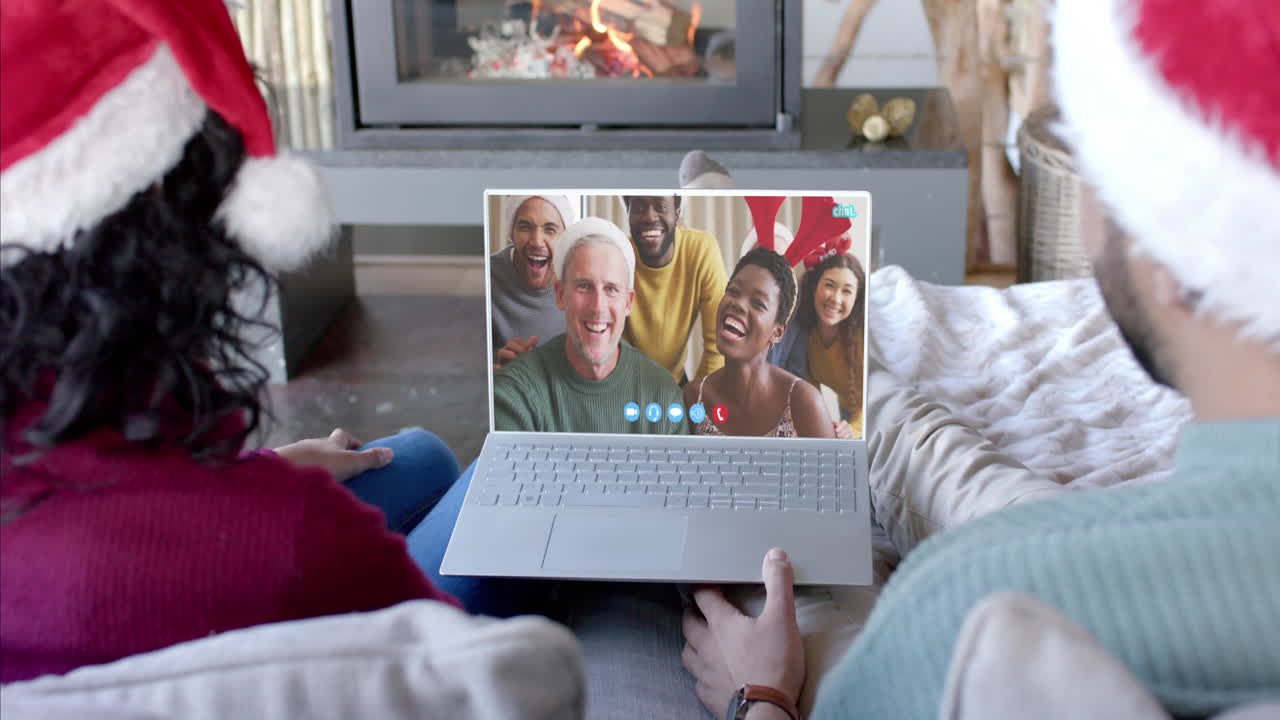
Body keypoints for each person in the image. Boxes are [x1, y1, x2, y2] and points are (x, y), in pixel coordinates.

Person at [681, 1, 1280, 717]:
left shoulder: (967, 618)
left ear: (1180, 248)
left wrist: (764, 697)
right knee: (951, 468)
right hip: (1101, 546)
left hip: (969, 618)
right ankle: (851, 369)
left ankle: (838, 369)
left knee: (800, 575)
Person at [0, 0, 461, 683]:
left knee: (421, 458)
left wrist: (268, 467)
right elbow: (473, 676)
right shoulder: (294, 536)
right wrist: (270, 497)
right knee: (498, 491)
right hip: (285, 621)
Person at [493, 216, 686, 434]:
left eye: (611, 289)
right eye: (584, 286)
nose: (598, 307)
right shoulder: (515, 392)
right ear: (560, 295)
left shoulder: (663, 392)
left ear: (628, 303)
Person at [686, 247, 835, 439]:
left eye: (758, 303)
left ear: (778, 332)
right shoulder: (693, 397)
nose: (738, 304)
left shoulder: (804, 402)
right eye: (733, 291)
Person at [621, 194, 729, 383]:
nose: (649, 217)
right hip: (627, 384)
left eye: (661, 206)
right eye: (638, 208)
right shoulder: (619, 255)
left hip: (675, 381)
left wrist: (696, 400)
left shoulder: (701, 250)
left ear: (677, 215)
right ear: (628, 214)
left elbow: (719, 346)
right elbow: (613, 346)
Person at [769, 252, 867, 439]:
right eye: (829, 285)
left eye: (847, 291)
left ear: (856, 297)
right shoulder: (804, 335)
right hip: (847, 409)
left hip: (872, 410)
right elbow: (810, 389)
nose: (836, 299)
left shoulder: (861, 334)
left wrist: (855, 429)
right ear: (815, 286)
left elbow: (875, 391)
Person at [489, 194, 577, 371]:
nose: (537, 241)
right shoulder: (486, 276)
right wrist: (497, 375)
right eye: (525, 227)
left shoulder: (580, 282)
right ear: (511, 233)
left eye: (550, 229)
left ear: (565, 239)